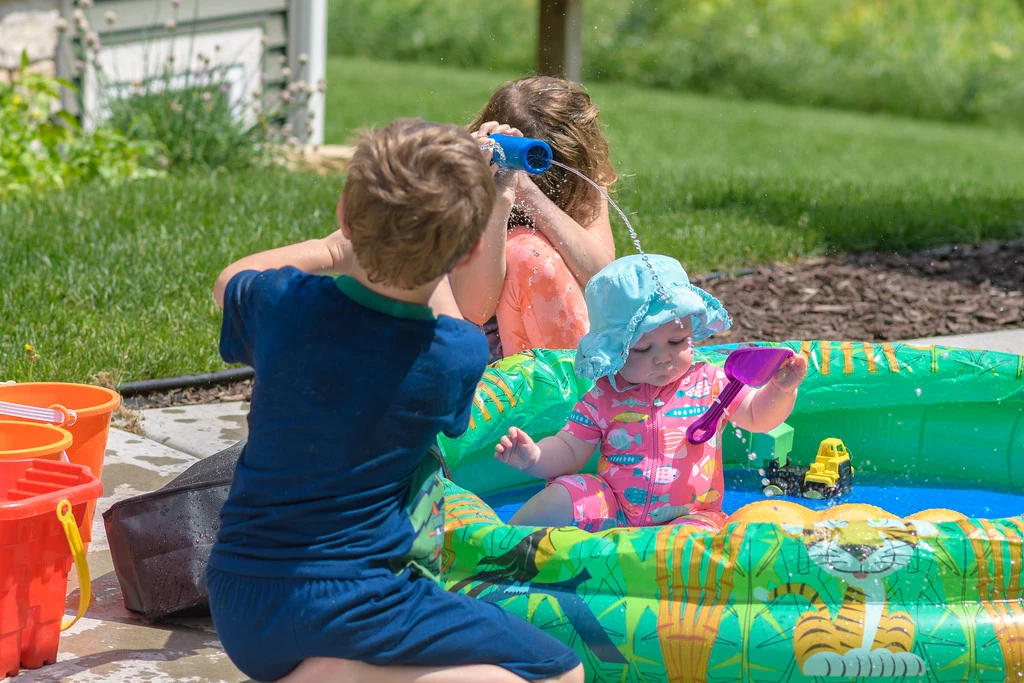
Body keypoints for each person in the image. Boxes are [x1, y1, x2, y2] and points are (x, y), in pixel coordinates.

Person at [207, 118, 585, 683]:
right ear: (471, 249)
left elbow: (229, 280)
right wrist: (493, 194)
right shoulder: (453, 355)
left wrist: (333, 249)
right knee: (558, 671)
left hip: (241, 602)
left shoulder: (284, 307)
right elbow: (452, 316)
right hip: (356, 601)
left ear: (343, 214)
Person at [494, 254, 808, 532]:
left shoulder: (710, 383)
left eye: (676, 341)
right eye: (642, 348)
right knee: (568, 491)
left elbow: (757, 416)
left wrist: (781, 390)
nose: (662, 357)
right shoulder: (604, 396)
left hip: (692, 515)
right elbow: (569, 450)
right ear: (614, 350)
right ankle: (502, 546)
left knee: (695, 539)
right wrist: (534, 457)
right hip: (614, 511)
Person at [457, 76, 619, 359]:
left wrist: (529, 195)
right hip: (483, 357)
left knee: (527, 252)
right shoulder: (465, 181)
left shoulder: (584, 183)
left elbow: (603, 277)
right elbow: (475, 308)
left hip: (565, 340)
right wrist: (499, 200)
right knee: (525, 252)